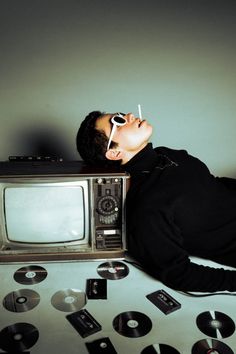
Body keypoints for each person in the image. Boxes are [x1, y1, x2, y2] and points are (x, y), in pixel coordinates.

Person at [76, 110, 236, 292]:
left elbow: (211, 184)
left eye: (120, 114)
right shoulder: (147, 204)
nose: (128, 115)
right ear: (114, 153)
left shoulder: (165, 154)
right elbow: (179, 274)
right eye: (117, 122)